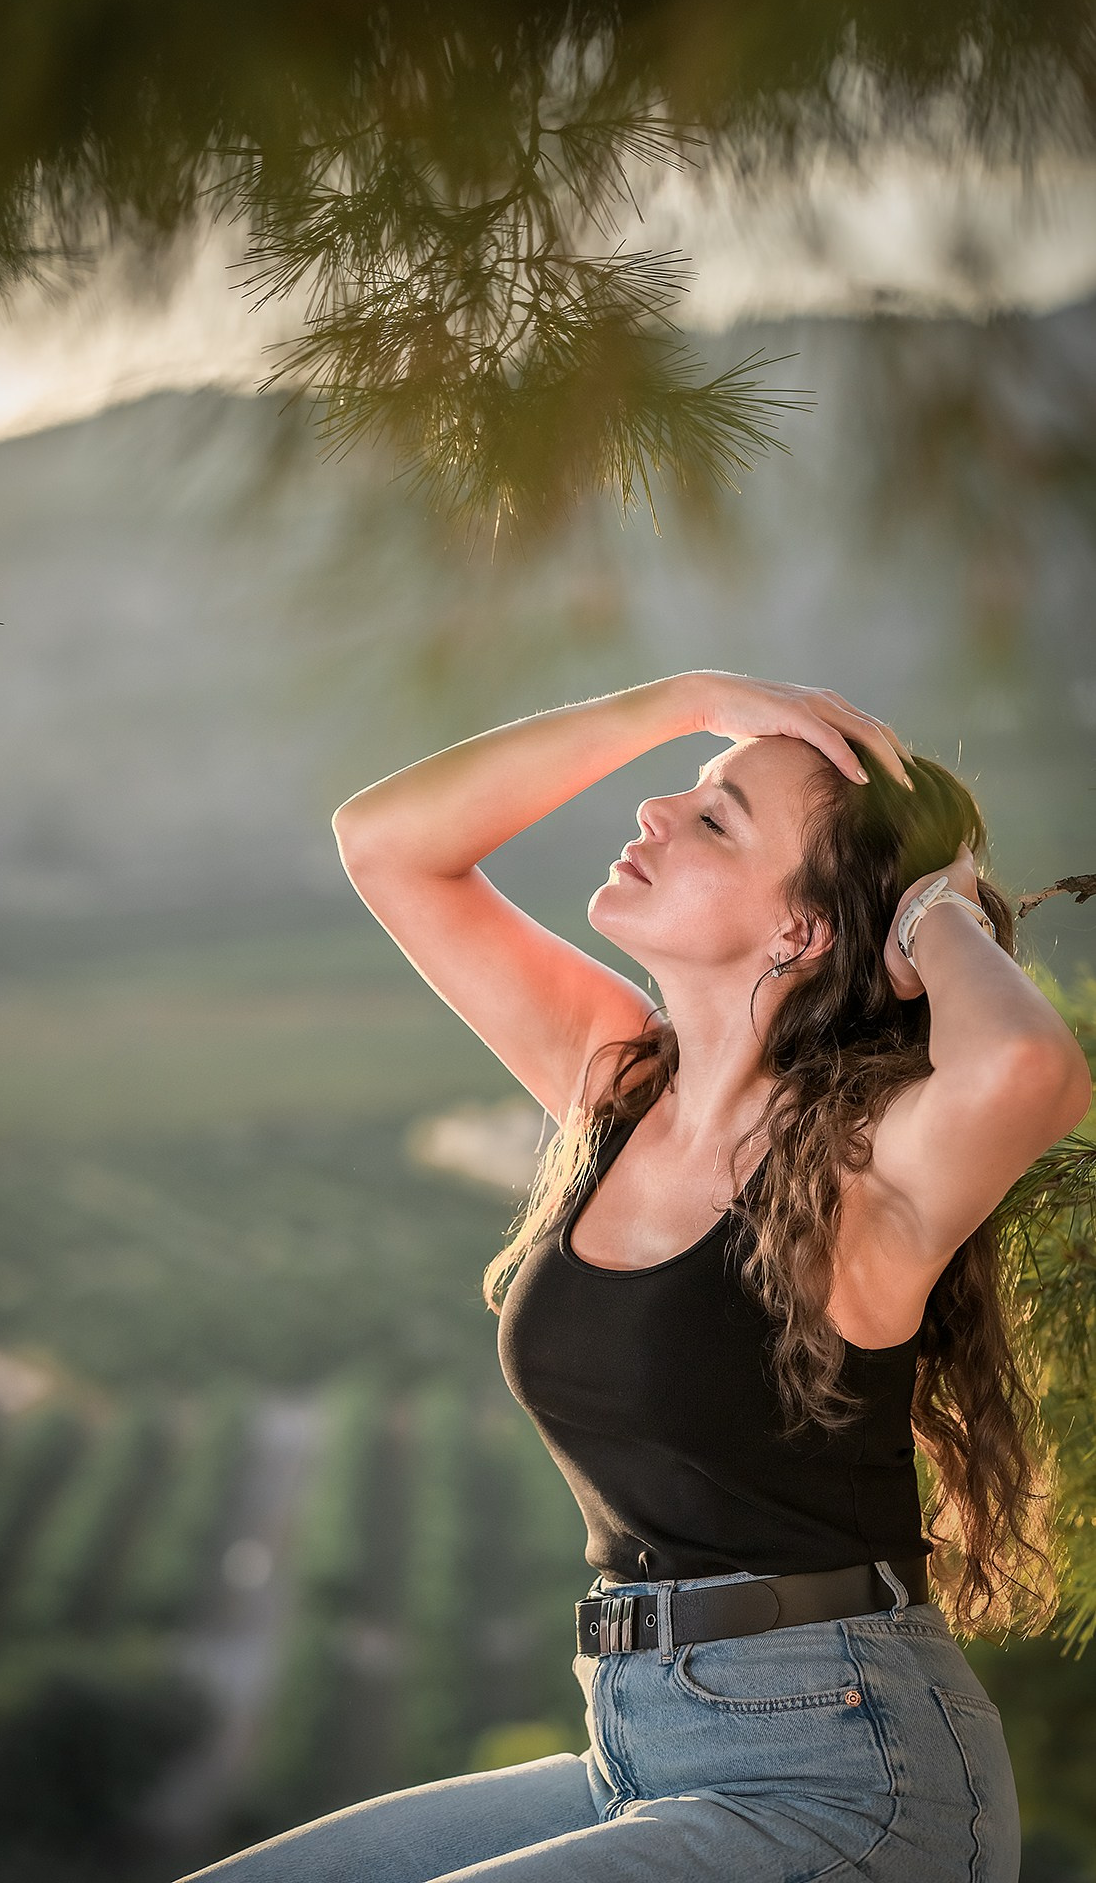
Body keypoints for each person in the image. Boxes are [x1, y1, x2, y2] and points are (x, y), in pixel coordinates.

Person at [181, 671, 1091, 1883]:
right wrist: (685, 699)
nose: (657, 809)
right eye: (691, 790)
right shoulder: (615, 1087)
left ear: (801, 932)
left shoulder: (859, 1171)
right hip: (640, 1746)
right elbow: (386, 844)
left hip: (847, 1774)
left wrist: (933, 906)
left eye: (716, 819)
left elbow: (1027, 1069)